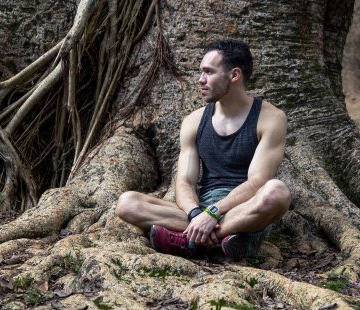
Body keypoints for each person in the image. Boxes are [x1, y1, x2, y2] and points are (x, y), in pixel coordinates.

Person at [116, 39, 290, 259]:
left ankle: (190, 241)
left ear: (234, 75)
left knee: (277, 192)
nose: (200, 80)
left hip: (245, 209)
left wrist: (213, 213)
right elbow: (184, 182)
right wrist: (197, 213)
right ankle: (221, 239)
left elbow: (257, 182)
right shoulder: (193, 121)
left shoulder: (271, 118)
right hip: (200, 210)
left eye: (208, 72)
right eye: (201, 72)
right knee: (127, 203)